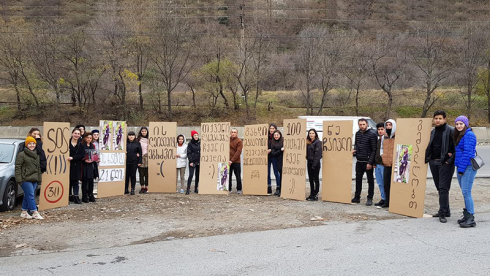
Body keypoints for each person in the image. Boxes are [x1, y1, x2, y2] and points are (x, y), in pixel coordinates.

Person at [425, 110, 455, 223]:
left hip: (445, 164)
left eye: (440, 118)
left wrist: (449, 160)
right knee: (439, 188)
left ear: (445, 119)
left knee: (443, 188)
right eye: (436, 118)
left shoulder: (451, 130)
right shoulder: (433, 131)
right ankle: (446, 210)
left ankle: (442, 212)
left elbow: (456, 148)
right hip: (434, 162)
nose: (437, 120)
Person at [453, 116, 477, 228]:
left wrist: (461, 170)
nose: (458, 126)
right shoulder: (460, 134)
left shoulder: (469, 135)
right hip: (461, 167)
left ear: (466, 124)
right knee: (464, 192)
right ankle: (467, 215)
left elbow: (468, 153)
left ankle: (471, 218)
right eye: (457, 124)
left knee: (467, 192)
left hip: (467, 167)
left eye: (461, 124)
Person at [15, 137, 44, 219]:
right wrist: (19, 179)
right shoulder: (21, 154)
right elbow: (17, 167)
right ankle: (34, 212)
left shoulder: (37, 155)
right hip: (25, 179)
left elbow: (38, 168)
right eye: (30, 143)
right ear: (26, 144)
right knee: (31, 195)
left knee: (27, 195)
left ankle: (24, 212)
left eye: (33, 143)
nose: (32, 145)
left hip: (34, 179)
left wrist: (39, 179)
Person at [352, 118, 377, 206]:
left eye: (363, 124)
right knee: (358, 179)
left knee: (370, 180)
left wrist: (370, 162)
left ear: (367, 124)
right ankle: (357, 197)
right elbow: (356, 144)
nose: (362, 126)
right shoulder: (357, 134)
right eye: (360, 124)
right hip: (359, 161)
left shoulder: (372, 134)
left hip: (367, 161)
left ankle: (370, 198)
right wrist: (355, 150)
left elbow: (374, 149)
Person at [379, 119, 396, 209]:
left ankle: (394, 202)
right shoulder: (384, 137)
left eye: (390, 125)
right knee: (386, 184)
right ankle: (387, 201)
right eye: (387, 125)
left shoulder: (397, 136)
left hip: (395, 164)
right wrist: (382, 155)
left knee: (395, 184)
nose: (389, 126)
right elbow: (381, 148)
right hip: (386, 163)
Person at [68, 128, 85, 204]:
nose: (76, 135)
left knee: (75, 182)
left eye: (78, 134)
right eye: (75, 133)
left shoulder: (81, 145)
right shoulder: (67, 143)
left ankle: (76, 196)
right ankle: (68, 196)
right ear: (72, 133)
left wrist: (73, 158)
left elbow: (82, 155)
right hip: (68, 165)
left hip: (76, 165)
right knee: (68, 181)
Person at [81, 133, 98, 203]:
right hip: (84, 165)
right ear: (85, 138)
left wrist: (96, 158)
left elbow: (95, 154)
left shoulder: (93, 145)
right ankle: (84, 195)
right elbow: (80, 155)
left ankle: (90, 194)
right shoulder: (82, 145)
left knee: (91, 180)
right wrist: (85, 160)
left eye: (90, 138)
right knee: (85, 181)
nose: (89, 139)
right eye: (87, 138)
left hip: (91, 165)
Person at [306, 129, 322, 201]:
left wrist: (314, 165)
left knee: (316, 179)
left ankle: (315, 194)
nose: (311, 135)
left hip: (315, 164)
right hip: (309, 162)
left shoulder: (318, 142)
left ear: (315, 134)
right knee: (310, 180)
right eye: (310, 133)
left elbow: (318, 155)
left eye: (312, 133)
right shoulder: (308, 142)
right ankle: (311, 193)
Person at [125, 131, 142, 195]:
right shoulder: (125, 143)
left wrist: (140, 161)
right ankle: (126, 188)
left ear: (135, 136)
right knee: (126, 176)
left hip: (134, 162)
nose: (131, 136)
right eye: (129, 135)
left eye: (132, 135)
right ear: (128, 136)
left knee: (133, 175)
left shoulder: (137, 143)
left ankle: (132, 189)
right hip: (126, 162)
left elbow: (140, 153)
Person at [374, 123, 386, 206]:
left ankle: (387, 199)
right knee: (380, 183)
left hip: (384, 165)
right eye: (379, 129)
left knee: (385, 183)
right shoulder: (378, 140)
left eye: (382, 129)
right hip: (377, 164)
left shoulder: (387, 140)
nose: (380, 131)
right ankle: (383, 198)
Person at [269, 130, 284, 196]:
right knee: (279, 174)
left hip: (284, 160)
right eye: (275, 135)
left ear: (280, 135)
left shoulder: (283, 141)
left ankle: (282, 189)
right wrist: (280, 150)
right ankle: (280, 189)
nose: (276, 136)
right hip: (277, 160)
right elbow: (273, 153)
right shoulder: (272, 142)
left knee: (282, 175)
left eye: (277, 135)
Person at [229, 128, 243, 194]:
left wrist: (232, 160)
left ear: (237, 133)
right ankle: (229, 188)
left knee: (238, 175)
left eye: (234, 132)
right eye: (232, 132)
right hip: (228, 161)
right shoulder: (227, 140)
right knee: (228, 176)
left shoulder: (239, 141)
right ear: (230, 133)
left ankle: (239, 189)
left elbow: (238, 152)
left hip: (236, 162)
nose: (233, 133)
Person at [186, 130, 200, 195]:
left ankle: (196, 188)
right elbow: (188, 153)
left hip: (198, 161)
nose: (196, 136)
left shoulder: (199, 143)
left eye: (197, 135)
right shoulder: (190, 144)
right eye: (195, 135)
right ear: (192, 136)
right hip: (192, 161)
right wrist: (191, 161)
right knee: (191, 175)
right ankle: (188, 188)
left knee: (197, 175)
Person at [137, 127, 149, 193]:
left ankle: (146, 187)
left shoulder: (149, 139)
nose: (144, 132)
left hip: (147, 157)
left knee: (147, 173)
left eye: (145, 131)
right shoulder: (138, 140)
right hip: (140, 158)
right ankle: (142, 187)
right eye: (142, 131)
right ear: (140, 132)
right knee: (141, 173)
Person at [267, 123, 278, 194]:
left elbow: (279, 147)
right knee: (267, 173)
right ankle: (269, 187)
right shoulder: (266, 137)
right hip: (267, 156)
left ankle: (278, 187)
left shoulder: (278, 137)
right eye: (270, 128)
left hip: (275, 156)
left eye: (273, 128)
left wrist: (271, 149)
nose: (271, 130)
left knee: (276, 172)